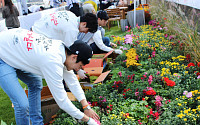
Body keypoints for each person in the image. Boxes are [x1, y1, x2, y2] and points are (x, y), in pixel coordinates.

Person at [0, 28, 100, 125]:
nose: (78, 69)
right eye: (80, 66)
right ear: (74, 57)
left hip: (14, 49)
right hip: (2, 53)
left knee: (36, 84)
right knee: (22, 105)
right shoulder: (52, 62)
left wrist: (86, 106)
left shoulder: (64, 53)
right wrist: (88, 120)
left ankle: (37, 123)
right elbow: (62, 101)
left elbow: (72, 81)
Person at [32, 11, 98, 79]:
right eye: (87, 30)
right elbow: (68, 55)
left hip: (35, 30)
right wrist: (78, 70)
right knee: (57, 66)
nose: (85, 33)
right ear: (84, 24)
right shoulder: (72, 29)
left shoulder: (71, 15)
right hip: (38, 39)